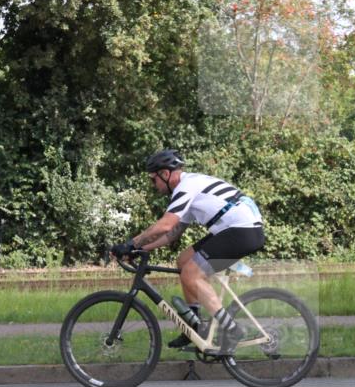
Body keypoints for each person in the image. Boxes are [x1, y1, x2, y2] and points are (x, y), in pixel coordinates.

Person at [110, 149, 265, 355]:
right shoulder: (187, 189)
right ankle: (195, 326)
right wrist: (140, 249)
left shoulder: (185, 187)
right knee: (184, 261)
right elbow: (172, 233)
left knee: (192, 274)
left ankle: (232, 330)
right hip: (233, 228)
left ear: (165, 174)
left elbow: (165, 225)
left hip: (242, 230)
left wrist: (129, 243)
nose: (152, 185)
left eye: (153, 179)